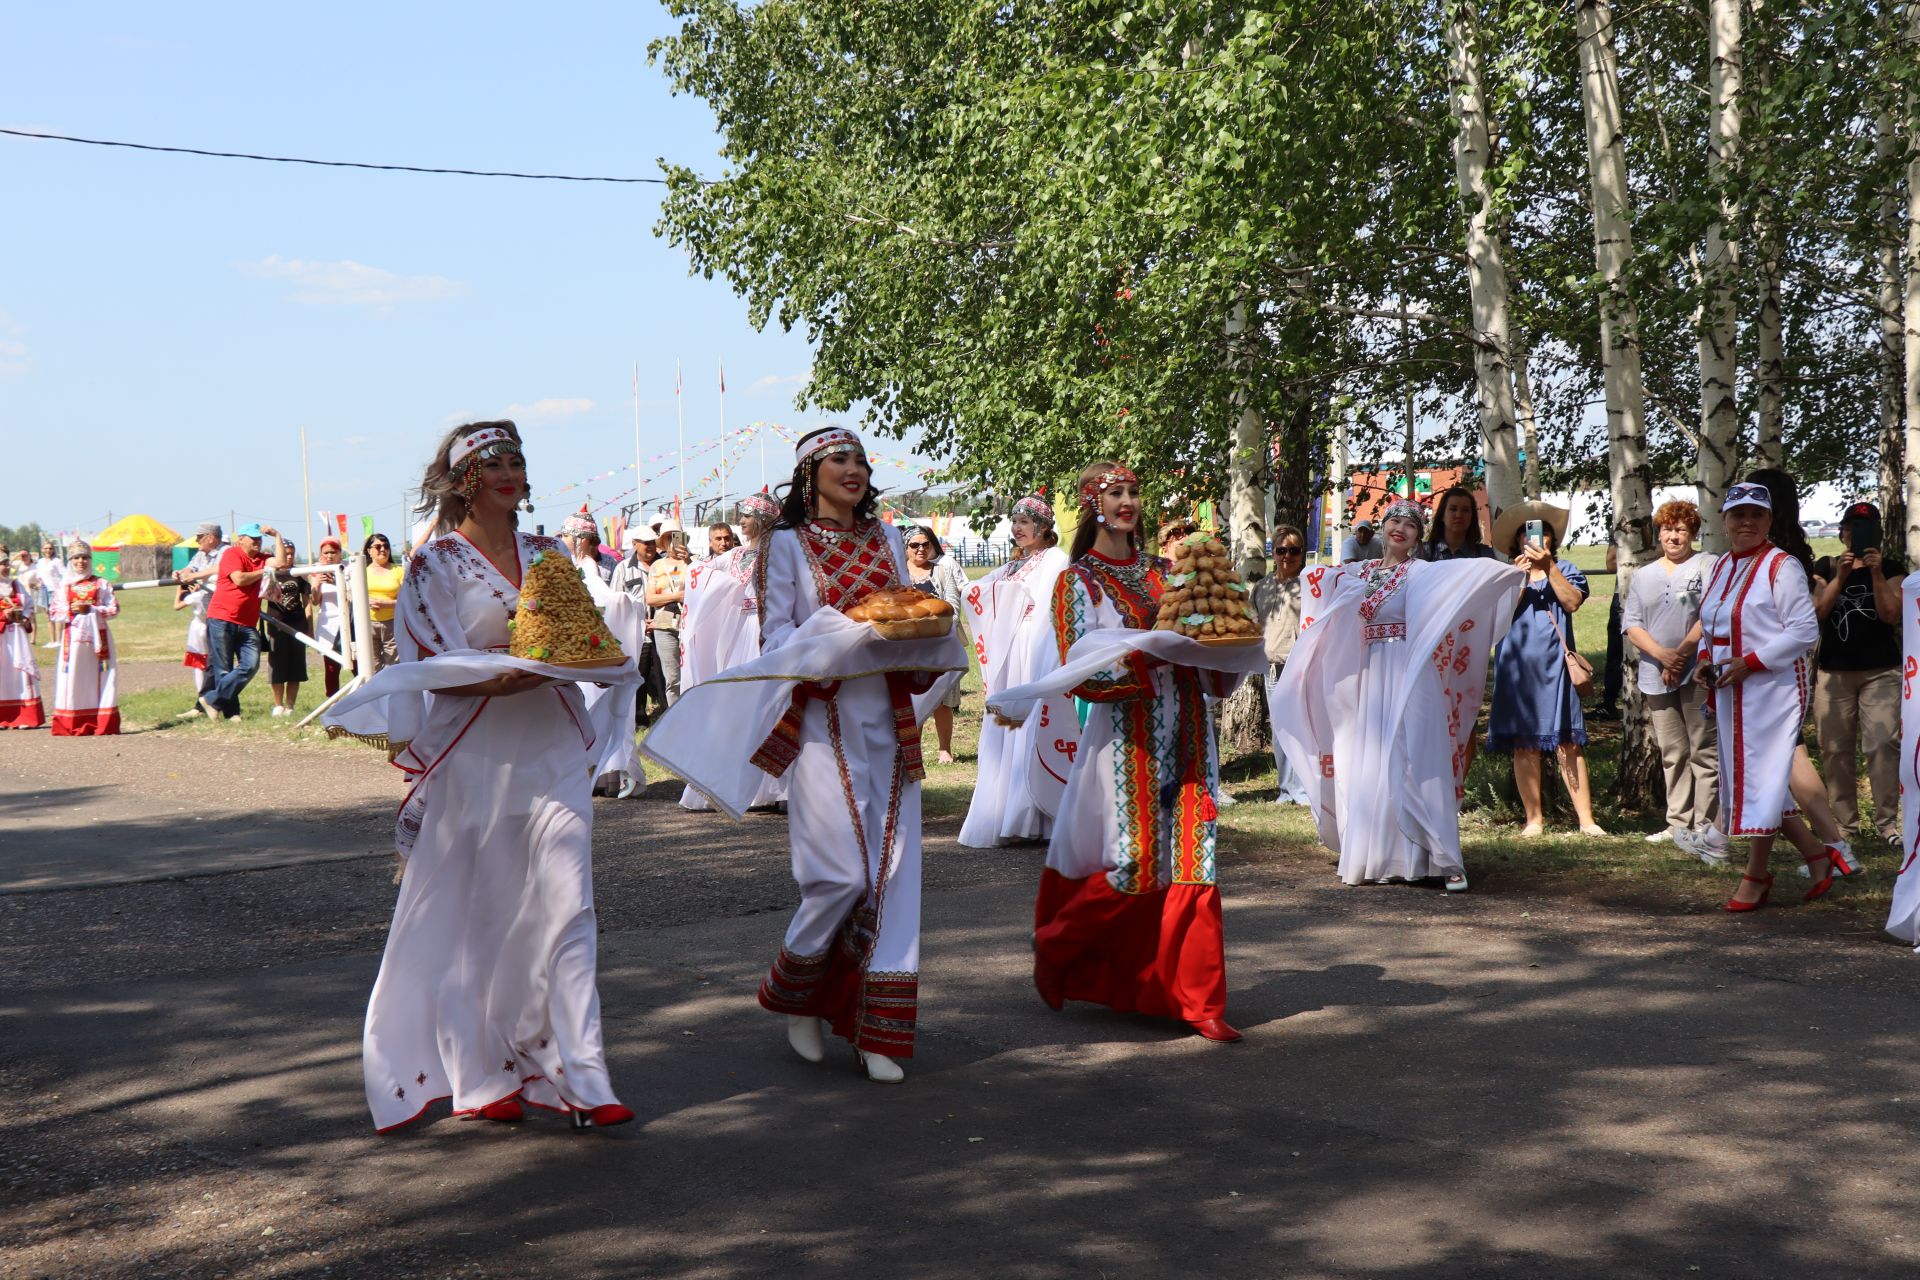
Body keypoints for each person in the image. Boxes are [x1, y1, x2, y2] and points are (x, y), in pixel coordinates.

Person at [645, 426, 958, 1083]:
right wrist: (847, 632)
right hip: (820, 718)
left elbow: (910, 614)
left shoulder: (887, 540)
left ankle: (878, 1033)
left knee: (895, 875)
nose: (855, 469)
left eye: (861, 459)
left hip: (887, 717)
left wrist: (908, 632)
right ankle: (797, 991)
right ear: (810, 472)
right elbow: (779, 637)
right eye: (839, 459)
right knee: (841, 874)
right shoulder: (786, 546)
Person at [346, 419, 631, 1131]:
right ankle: (480, 1077)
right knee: (482, 912)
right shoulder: (434, 565)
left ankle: (583, 1078)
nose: (509, 470)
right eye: (492, 461)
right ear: (463, 479)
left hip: (554, 750)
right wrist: (491, 680)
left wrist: (582, 660)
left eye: (517, 459)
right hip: (475, 754)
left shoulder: (551, 553)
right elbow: (427, 659)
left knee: (568, 906)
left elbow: (582, 637)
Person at [1031, 461, 1245, 1041]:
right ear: (1091, 504)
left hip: (1192, 730)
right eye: (1115, 493)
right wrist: (1147, 657)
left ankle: (1200, 1002)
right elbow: (1079, 673)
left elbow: (1203, 644)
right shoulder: (1079, 582)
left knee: (1197, 861)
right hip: (1127, 742)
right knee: (1137, 865)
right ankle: (1056, 945)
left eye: (1133, 492)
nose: (1128, 502)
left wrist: (1220, 657)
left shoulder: (1164, 573)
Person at [1274, 500, 1524, 891]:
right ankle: (1375, 856)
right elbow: (1317, 577)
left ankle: (1443, 858)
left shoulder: (1422, 573)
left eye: (1410, 525)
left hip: (1411, 671)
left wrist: (1509, 572)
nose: (1401, 529)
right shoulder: (1362, 571)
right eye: (1394, 521)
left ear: (1418, 537)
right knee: (1368, 760)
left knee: (1419, 756)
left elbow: (1466, 577)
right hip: (1370, 674)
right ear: (1381, 528)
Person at [1700, 481, 1862, 911]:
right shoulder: (1720, 567)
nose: (1747, 521)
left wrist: (1750, 662)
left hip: (1771, 690)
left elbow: (1804, 631)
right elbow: (1713, 623)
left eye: (1756, 514)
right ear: (1725, 522)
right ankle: (1817, 854)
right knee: (1758, 780)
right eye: (1739, 514)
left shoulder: (1781, 565)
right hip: (1732, 688)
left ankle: (1755, 875)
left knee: (1762, 781)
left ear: (1770, 520)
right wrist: (1704, 660)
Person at [1486, 502, 1605, 836]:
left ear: (1551, 539)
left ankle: (1587, 821)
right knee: (1524, 744)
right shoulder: (1503, 574)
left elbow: (1571, 602)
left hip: (1557, 668)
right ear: (1517, 540)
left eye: (1542, 531)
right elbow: (1496, 617)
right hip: (1516, 670)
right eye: (1527, 531)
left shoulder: (1565, 567)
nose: (1535, 536)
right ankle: (1534, 819)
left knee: (1569, 743)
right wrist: (1521, 576)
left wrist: (1548, 567)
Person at [957, 496, 1069, 846]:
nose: (1017, 528)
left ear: (1043, 527)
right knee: (1005, 726)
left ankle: (1032, 814)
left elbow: (1054, 607)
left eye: (1025, 521)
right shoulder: (1014, 565)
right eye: (1015, 521)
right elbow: (975, 590)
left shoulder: (1056, 559)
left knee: (1030, 726)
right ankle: (1006, 811)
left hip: (1034, 650)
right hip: (1008, 654)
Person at [677, 491, 787, 812]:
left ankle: (777, 788)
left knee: (771, 706)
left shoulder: (781, 553)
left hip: (769, 633)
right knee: (734, 707)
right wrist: (688, 563)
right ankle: (733, 784)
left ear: (763, 520)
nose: (740, 521)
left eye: (746, 516)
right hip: (737, 633)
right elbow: (705, 572)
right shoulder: (734, 556)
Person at [1620, 500, 1719, 846]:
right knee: (1673, 751)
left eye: (1680, 529)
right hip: (1654, 673)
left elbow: (1712, 614)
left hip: (1698, 673)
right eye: (1666, 529)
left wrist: (1681, 656)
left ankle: (1707, 824)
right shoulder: (1644, 574)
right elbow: (1631, 623)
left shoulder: (1708, 565)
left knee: (1703, 749)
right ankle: (1678, 823)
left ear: (1692, 532)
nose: (1673, 536)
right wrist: (1662, 656)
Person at [1810, 501, 1905, 846]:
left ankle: (1886, 825)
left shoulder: (1893, 567)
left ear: (1877, 532)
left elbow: (1891, 614)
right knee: (1834, 749)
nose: (1855, 533)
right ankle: (1845, 826)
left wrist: (1877, 573)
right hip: (1834, 672)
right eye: (1851, 527)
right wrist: (1842, 577)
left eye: (1864, 527)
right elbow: (1818, 611)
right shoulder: (1826, 565)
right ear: (1842, 532)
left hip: (1881, 671)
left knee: (1882, 744)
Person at [1251, 524, 1309, 804]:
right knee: (1281, 729)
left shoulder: (1310, 586)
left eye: (1294, 550)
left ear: (1302, 554)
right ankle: (1286, 789)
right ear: (1273, 553)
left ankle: (1305, 787)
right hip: (1272, 669)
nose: (1288, 556)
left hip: (1302, 666)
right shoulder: (1262, 588)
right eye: (1282, 550)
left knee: (1303, 727)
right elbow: (1252, 626)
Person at [904, 525, 970, 765]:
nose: (921, 549)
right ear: (906, 548)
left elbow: (952, 608)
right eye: (914, 545)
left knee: (942, 700)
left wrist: (931, 630)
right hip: (908, 649)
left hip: (940, 645)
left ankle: (945, 749)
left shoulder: (942, 572)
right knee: (912, 700)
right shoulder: (899, 574)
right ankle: (914, 750)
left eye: (925, 544)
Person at [201, 523, 281, 721]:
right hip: (221, 618)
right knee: (223, 668)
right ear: (241, 540)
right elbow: (239, 579)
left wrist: (277, 535)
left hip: (247, 623)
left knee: (250, 665)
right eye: (253, 538)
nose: (257, 541)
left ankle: (212, 699)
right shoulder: (232, 554)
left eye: (259, 538)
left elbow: (280, 561)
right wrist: (263, 572)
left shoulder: (262, 559)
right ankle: (231, 712)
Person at [48, 542, 120, 735]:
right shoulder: (64, 587)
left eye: (85, 557)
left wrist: (93, 609)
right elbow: (54, 612)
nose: (81, 561)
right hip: (73, 640)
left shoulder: (101, 584)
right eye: (76, 558)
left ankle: (102, 721)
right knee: (73, 677)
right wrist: (71, 610)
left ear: (90, 560)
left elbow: (114, 609)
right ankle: (72, 721)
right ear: (70, 561)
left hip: (99, 639)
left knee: (102, 676)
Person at [609, 523, 664, 726]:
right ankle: (638, 717)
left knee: (662, 675)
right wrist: (639, 622)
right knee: (638, 674)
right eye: (645, 543)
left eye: (652, 543)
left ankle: (664, 714)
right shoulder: (623, 568)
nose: (650, 547)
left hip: (664, 628)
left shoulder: (664, 564)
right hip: (636, 631)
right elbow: (616, 601)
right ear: (634, 544)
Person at [173, 522, 225, 707]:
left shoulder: (225, 551)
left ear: (210, 537)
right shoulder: (201, 554)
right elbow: (191, 568)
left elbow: (220, 569)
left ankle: (215, 704)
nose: (196, 541)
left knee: (218, 663)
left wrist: (195, 576)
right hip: (206, 616)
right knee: (207, 661)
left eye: (199, 537)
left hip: (221, 615)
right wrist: (181, 573)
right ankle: (205, 702)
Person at [261, 539, 311, 717]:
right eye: (285, 552)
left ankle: (290, 706)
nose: (289, 556)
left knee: (296, 666)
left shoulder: (299, 574)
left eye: (291, 552)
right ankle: (278, 705)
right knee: (277, 665)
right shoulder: (269, 573)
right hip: (276, 625)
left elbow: (307, 604)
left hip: (297, 624)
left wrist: (309, 626)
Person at [646, 523, 692, 706]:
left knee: (692, 673)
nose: (673, 541)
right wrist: (677, 596)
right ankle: (675, 718)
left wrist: (689, 561)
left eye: (676, 536)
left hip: (690, 623)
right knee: (672, 677)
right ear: (663, 542)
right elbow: (650, 599)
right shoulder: (657, 566)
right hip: (664, 626)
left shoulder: (695, 563)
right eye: (668, 537)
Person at [0, 555, 44, 728]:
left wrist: (23, 617)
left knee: (20, 673)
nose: (4, 567)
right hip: (2, 637)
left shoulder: (16, 585)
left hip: (17, 637)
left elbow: (29, 605)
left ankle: (25, 717)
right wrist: (4, 616)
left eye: (5, 563)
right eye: (0, 564)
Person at [310, 539, 347, 698]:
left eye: (333, 552)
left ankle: (364, 697)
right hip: (329, 622)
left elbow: (353, 596)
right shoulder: (317, 570)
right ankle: (333, 701)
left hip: (347, 621)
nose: (330, 556)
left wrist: (336, 582)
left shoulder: (349, 568)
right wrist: (317, 584)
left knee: (355, 663)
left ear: (340, 554)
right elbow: (315, 601)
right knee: (331, 666)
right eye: (326, 553)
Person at [1421, 486, 1496, 562]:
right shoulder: (1425, 552)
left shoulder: (1484, 555)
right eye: (1453, 509)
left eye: (1465, 510)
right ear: (1442, 514)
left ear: (1472, 517)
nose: (1459, 515)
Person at [363, 533, 402, 671]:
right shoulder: (361, 572)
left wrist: (386, 604)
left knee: (393, 666)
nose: (382, 549)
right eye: (378, 546)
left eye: (386, 546)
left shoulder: (398, 571)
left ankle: (393, 692)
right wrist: (366, 601)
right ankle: (376, 693)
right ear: (369, 551)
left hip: (392, 623)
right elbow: (351, 595)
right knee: (372, 666)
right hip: (367, 623)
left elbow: (406, 599)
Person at [31, 540, 63, 648]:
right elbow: (39, 576)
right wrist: (36, 584)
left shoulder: (57, 561)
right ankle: (52, 640)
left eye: (50, 548)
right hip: (43, 590)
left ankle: (59, 640)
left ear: (53, 550)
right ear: (42, 550)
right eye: (46, 548)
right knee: (48, 616)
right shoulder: (40, 562)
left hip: (55, 590)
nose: (48, 550)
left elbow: (64, 573)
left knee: (57, 615)